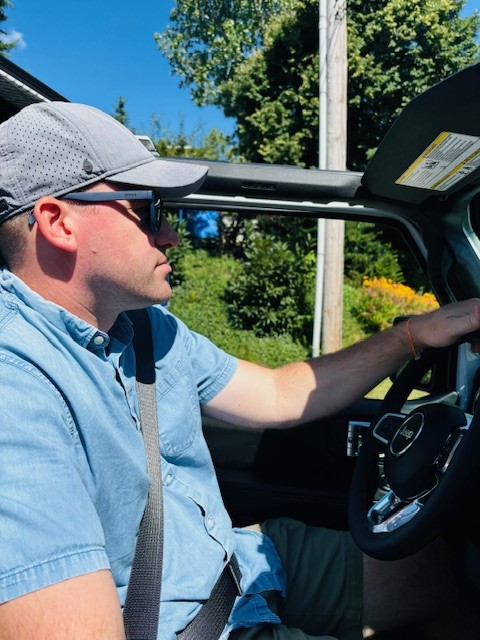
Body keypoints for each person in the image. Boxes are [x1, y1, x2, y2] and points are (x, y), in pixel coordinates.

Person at [0, 101, 478, 640]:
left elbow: (276, 394)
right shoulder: (13, 390)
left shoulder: (147, 327)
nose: (171, 235)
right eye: (150, 210)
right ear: (58, 223)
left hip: (236, 562)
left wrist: (412, 336)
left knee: (433, 567)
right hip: (185, 625)